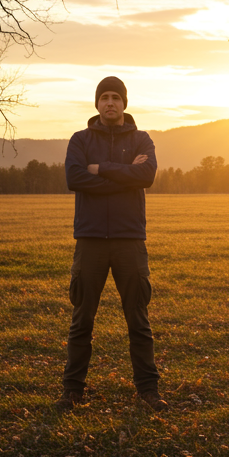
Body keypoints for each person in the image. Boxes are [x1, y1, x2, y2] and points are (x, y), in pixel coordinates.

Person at [56, 76, 167, 412]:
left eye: (115, 97)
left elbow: (146, 176)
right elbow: (74, 178)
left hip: (129, 240)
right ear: (97, 103)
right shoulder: (79, 139)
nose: (110, 103)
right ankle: (72, 391)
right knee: (81, 320)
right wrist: (122, 177)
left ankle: (148, 390)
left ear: (124, 103)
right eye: (104, 97)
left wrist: (100, 170)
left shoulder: (142, 139)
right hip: (89, 240)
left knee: (138, 319)